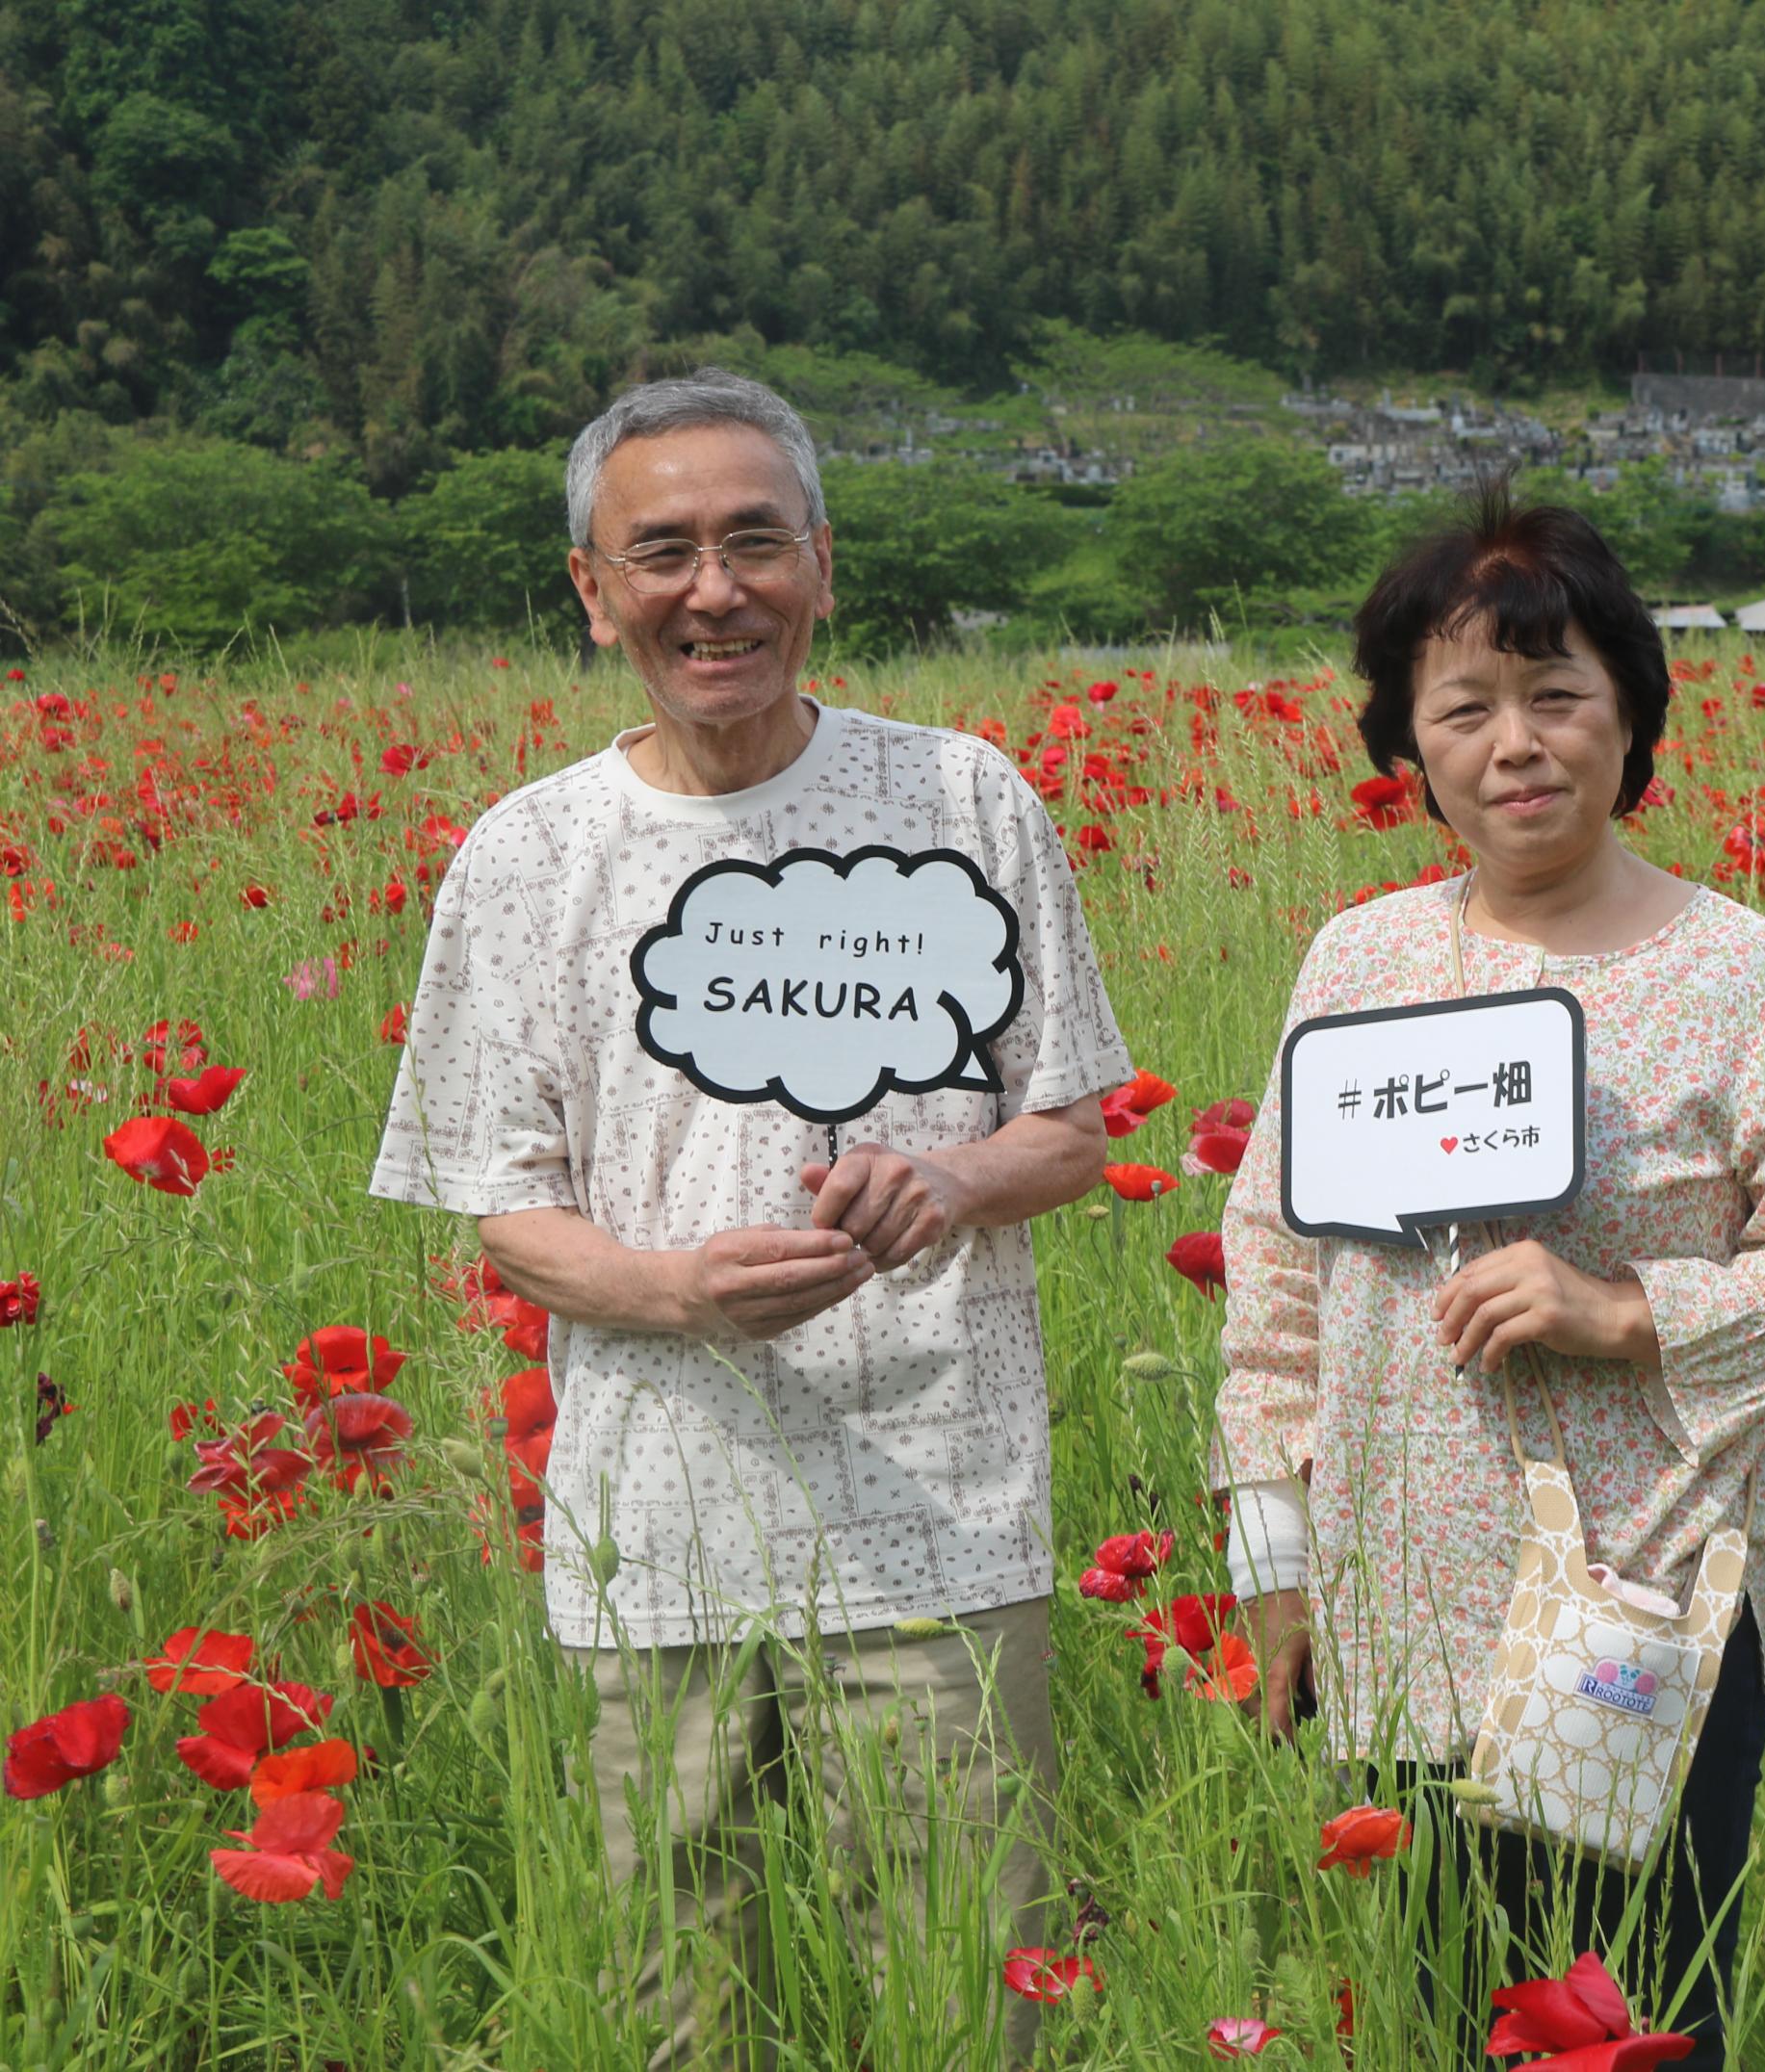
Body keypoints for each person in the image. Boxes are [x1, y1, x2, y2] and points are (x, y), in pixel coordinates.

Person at [369, 369, 1132, 2068]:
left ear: (821, 566)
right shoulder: (525, 856)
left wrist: (948, 1177)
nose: (715, 590)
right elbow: (505, 1208)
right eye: (664, 553)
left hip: (939, 1520)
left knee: (958, 2007)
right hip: (658, 1543)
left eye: (754, 543)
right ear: (593, 592)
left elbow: (1073, 1131)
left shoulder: (962, 799)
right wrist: (669, 1290)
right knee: (671, 2013)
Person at [1216, 483, 1765, 2063]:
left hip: (1638, 1596)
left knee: (1638, 2022)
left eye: (1557, 696)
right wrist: (1277, 1551)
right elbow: (1273, 1273)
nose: (1514, 743)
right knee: (1458, 2018)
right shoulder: (1360, 962)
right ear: (1410, 750)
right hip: (1398, 1597)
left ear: (1630, 719)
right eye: (1464, 707)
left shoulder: (1745, 977)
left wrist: (1624, 1312)